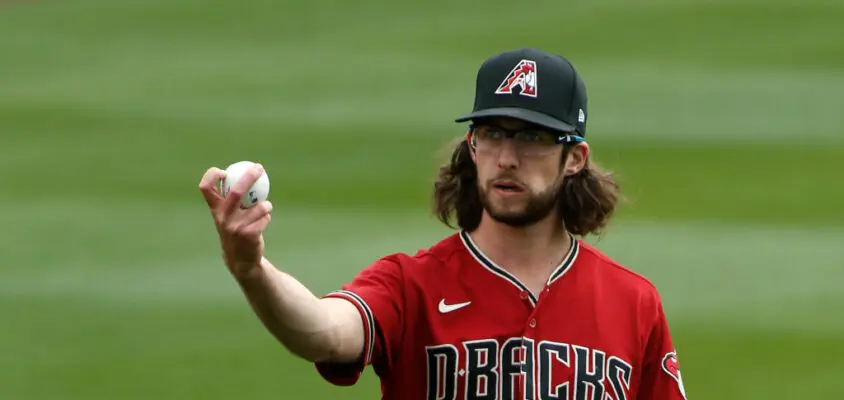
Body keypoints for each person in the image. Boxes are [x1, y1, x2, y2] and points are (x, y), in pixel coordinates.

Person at [198, 47, 688, 400]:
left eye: (533, 137)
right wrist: (252, 271)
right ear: (471, 146)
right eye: (492, 134)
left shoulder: (633, 302)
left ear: (575, 157)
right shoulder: (411, 286)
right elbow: (325, 332)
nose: (507, 157)